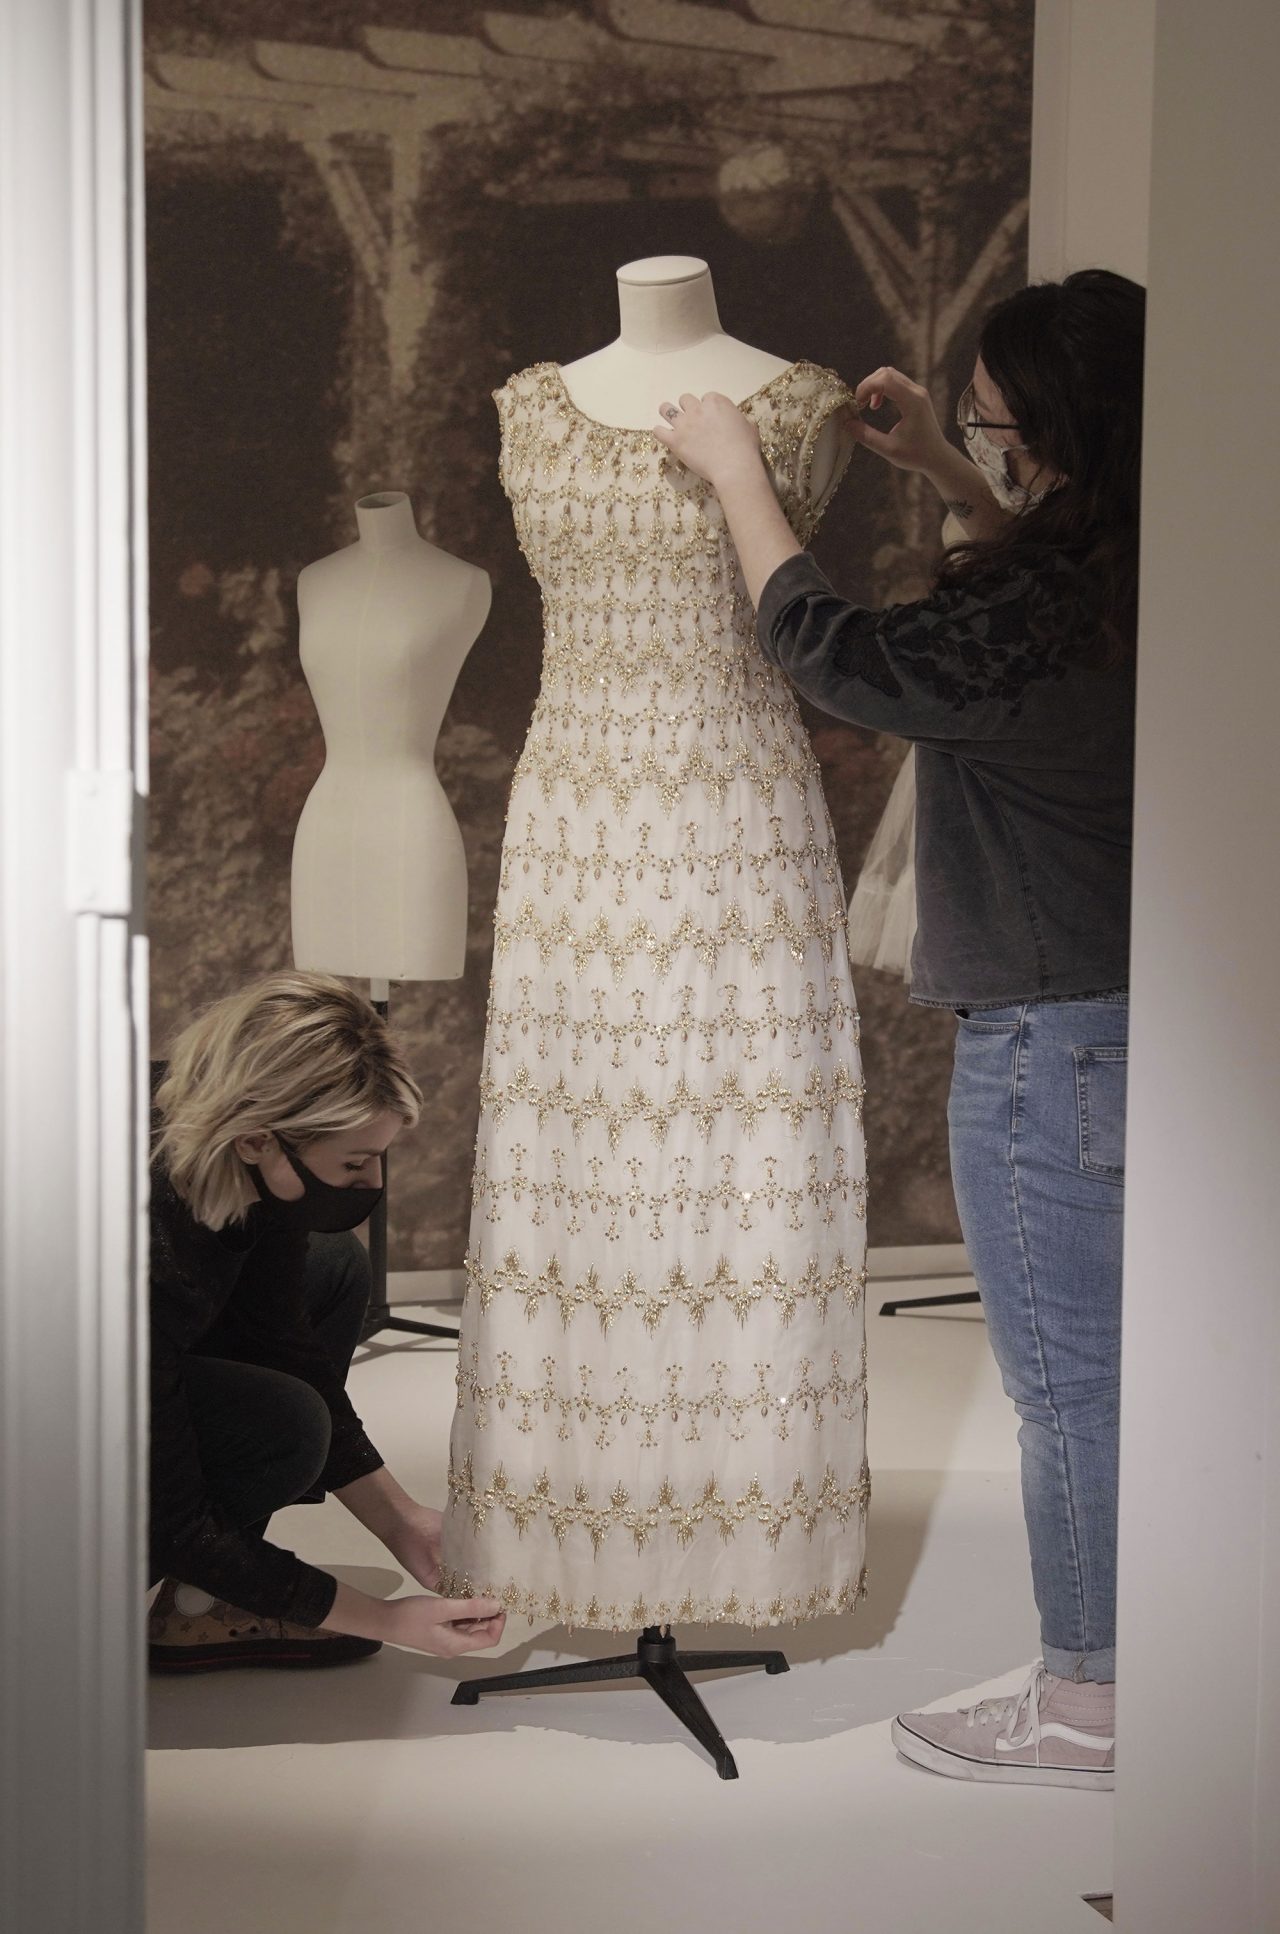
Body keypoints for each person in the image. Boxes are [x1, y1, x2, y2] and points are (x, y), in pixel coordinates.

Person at [652, 269, 1143, 1789]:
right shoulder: (1161, 559)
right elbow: (1031, 591)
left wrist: (738, 476)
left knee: (1068, 1387)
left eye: (994, 429)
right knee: (1130, 1373)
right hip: (1138, 1012)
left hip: (1052, 1034)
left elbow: (838, 653)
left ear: (1052, 436)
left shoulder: (1036, 613)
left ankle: (1090, 1702)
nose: (981, 447)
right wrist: (938, 463)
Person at [147, 970, 506, 1671]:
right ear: (257, 1140)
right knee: (286, 1427)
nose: (373, 1184)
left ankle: (200, 1599)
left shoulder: (235, 1148)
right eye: (354, 1163)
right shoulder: (132, 1241)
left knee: (333, 1267)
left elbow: (286, 1344)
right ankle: (164, 1583)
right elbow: (172, 1515)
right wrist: (388, 1619)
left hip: (128, 1364)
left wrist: (402, 1523)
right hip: (42, 1438)